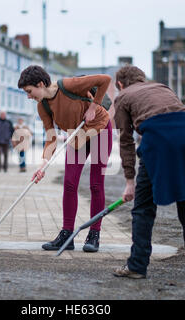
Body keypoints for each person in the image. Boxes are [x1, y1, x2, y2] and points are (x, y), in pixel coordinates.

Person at [112, 65, 185, 279]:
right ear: (142, 79)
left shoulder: (122, 96)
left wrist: (129, 180)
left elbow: (125, 141)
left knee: (143, 209)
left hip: (159, 141)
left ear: (120, 84)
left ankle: (137, 266)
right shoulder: (162, 87)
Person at [18, 65, 112, 253]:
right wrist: (43, 164)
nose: (28, 96)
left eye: (29, 91)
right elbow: (51, 137)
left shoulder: (69, 85)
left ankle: (94, 234)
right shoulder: (43, 105)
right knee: (69, 183)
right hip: (77, 138)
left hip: (99, 130)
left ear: (41, 84)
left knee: (95, 184)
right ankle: (67, 235)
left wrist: (93, 107)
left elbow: (105, 80)